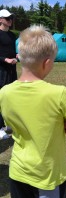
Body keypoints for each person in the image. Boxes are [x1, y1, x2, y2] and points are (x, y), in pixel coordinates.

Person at [0, 25, 66, 197]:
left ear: (19, 57)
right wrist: (64, 123)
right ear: (47, 63)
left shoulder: (4, 92)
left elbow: (11, 124)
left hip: (18, 171)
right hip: (47, 175)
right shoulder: (59, 93)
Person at [0, 9, 17, 140]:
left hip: (12, 70)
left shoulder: (12, 35)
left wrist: (16, 56)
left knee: (11, 96)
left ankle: (8, 124)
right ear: (0, 20)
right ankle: (0, 128)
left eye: (11, 18)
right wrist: (5, 59)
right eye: (7, 18)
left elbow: (12, 51)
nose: (10, 20)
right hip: (1, 71)